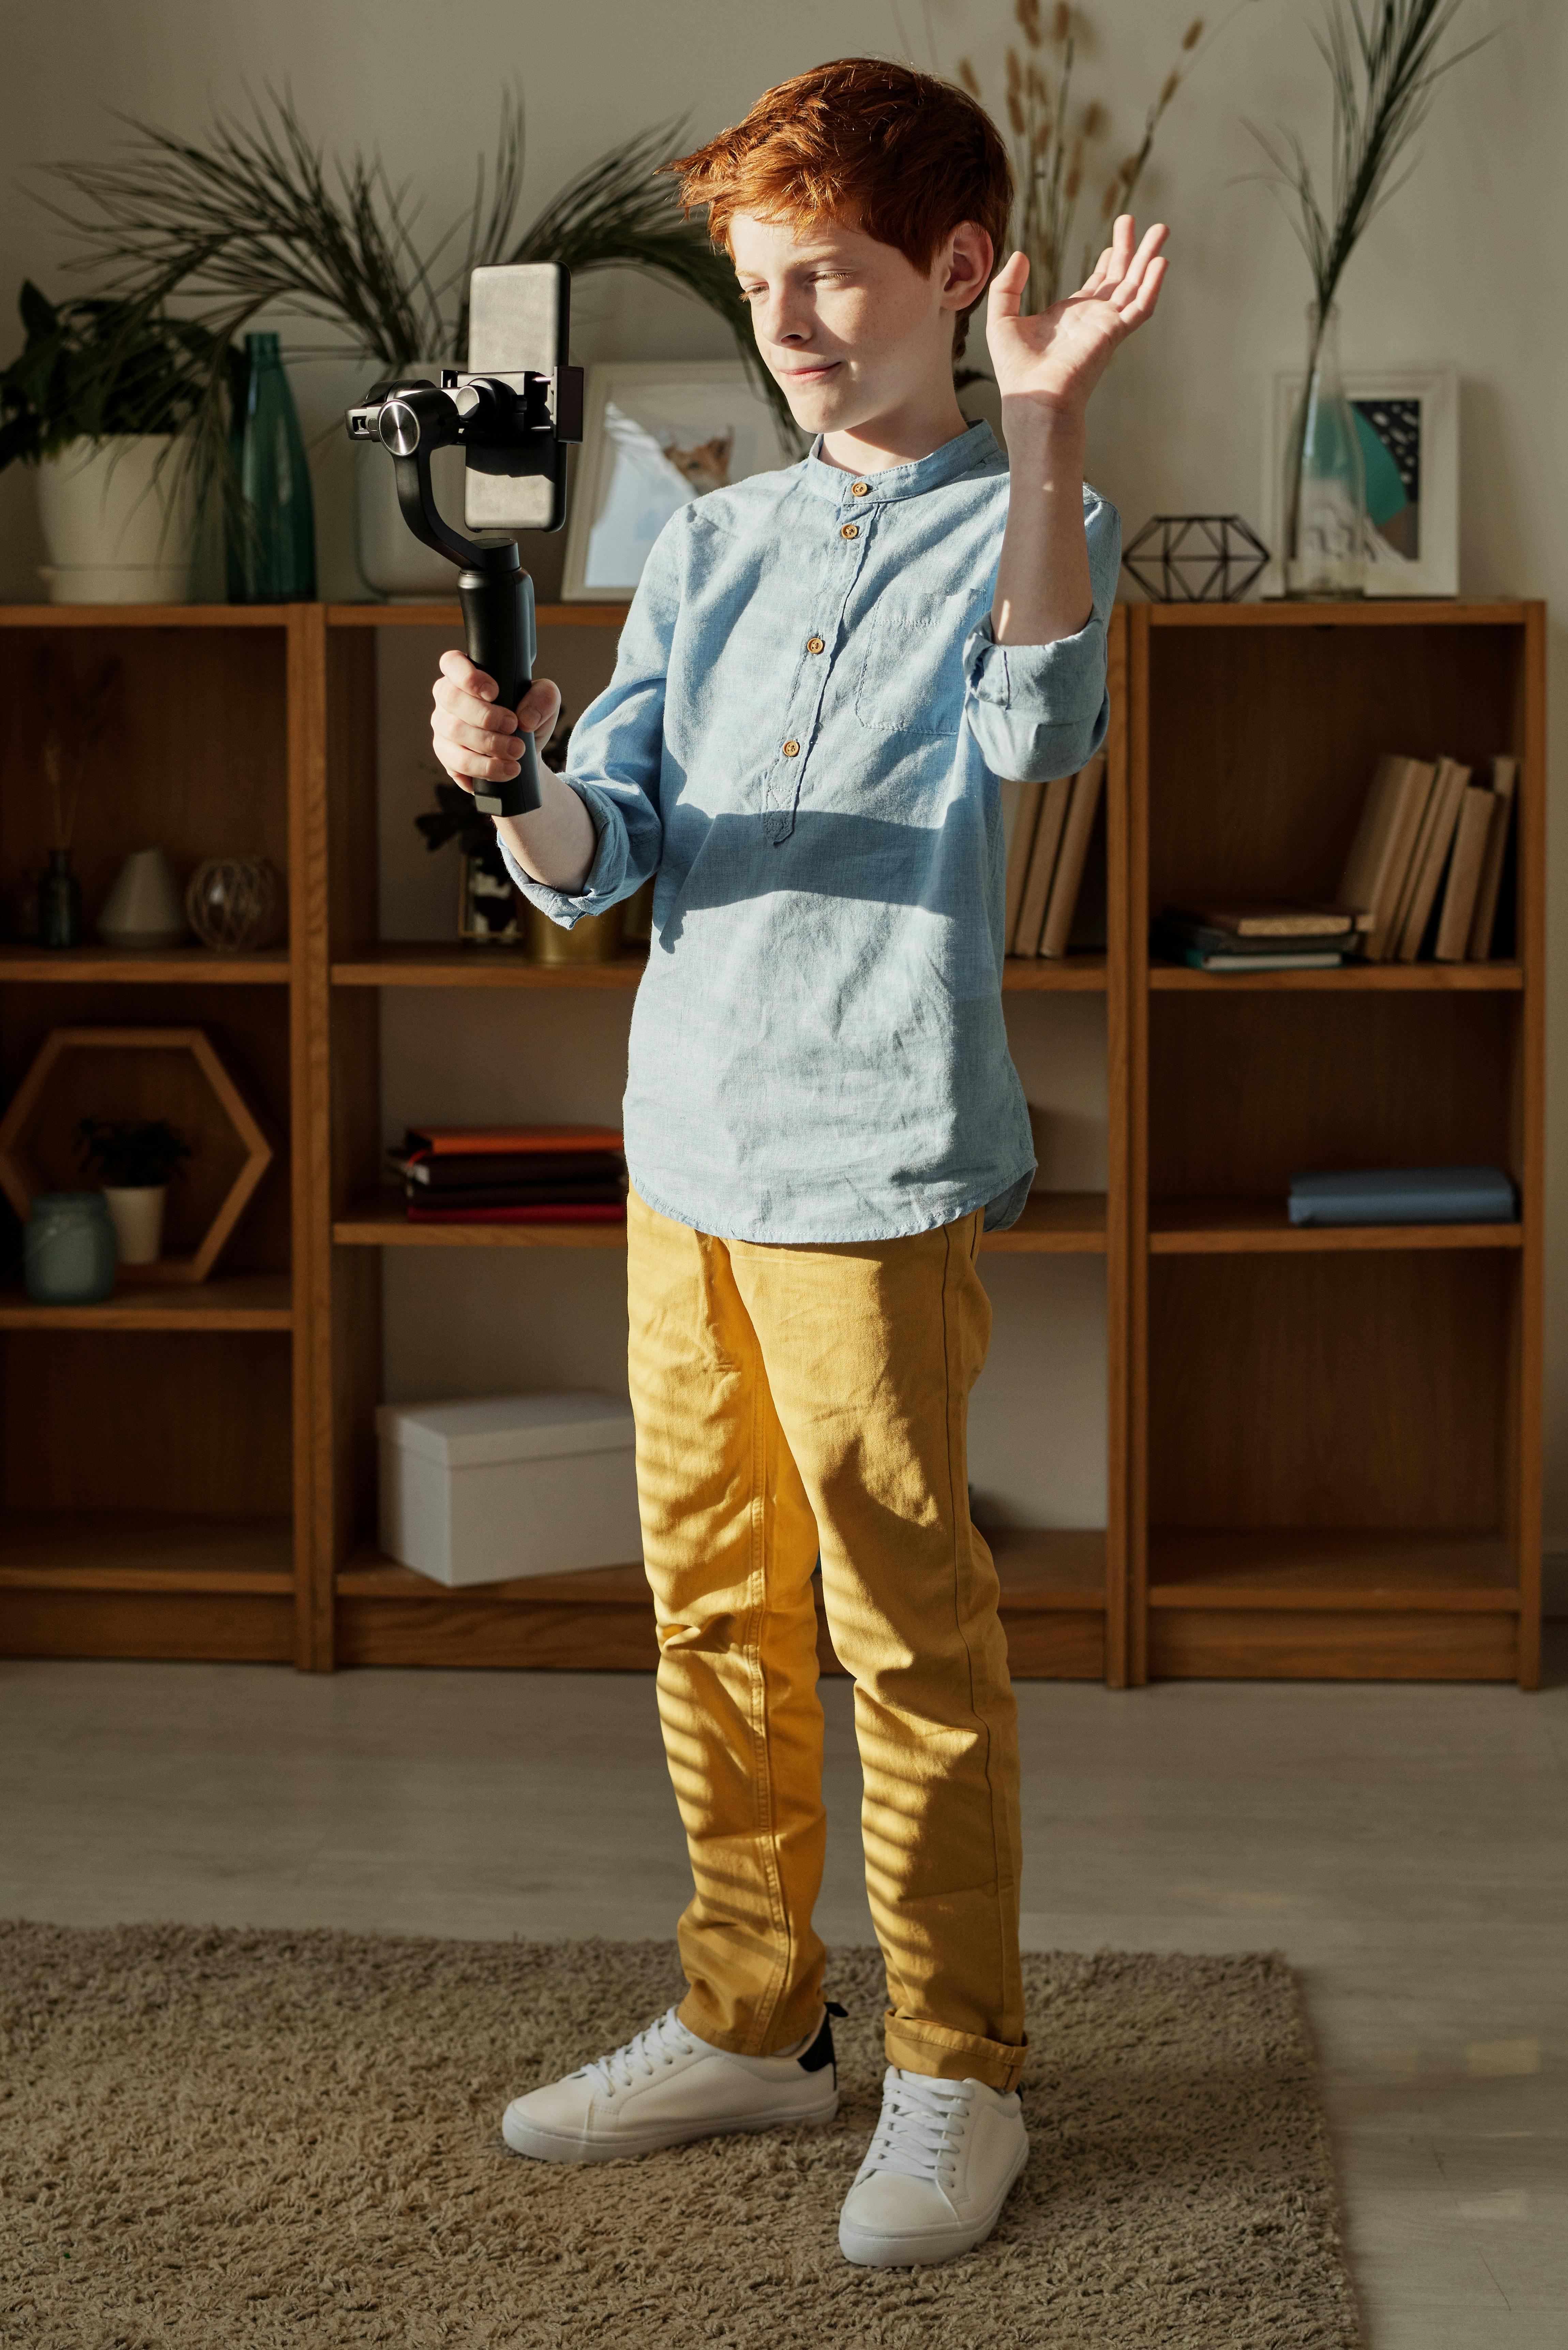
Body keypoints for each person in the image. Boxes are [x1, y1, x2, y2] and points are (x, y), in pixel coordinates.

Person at [428, 56, 1166, 2271]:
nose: (797, 323)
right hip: (688, 1154)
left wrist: (1043, 442)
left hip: (874, 1164)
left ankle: (961, 2068)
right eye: (763, 285)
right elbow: (600, 866)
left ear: (958, 270)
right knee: (715, 1618)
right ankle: (754, 2018)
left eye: (833, 278)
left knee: (904, 1637)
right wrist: (510, 777)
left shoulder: (1037, 520)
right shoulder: (713, 541)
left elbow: (1041, 735)